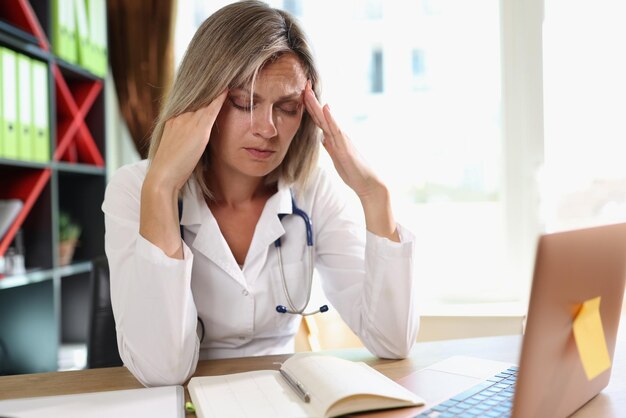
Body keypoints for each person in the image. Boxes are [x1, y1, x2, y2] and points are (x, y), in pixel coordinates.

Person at [102, 0, 419, 387]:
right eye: (244, 103)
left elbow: (392, 340)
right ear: (201, 100)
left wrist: (375, 195)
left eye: (287, 107)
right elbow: (162, 371)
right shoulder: (136, 190)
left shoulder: (312, 191)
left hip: (283, 397)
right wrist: (163, 186)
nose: (267, 128)